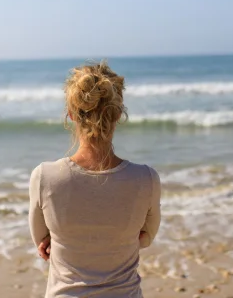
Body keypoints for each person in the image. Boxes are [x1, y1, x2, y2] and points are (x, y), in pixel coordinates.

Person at [29, 61, 161, 297]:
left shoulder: (45, 177)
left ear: (71, 114)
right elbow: (145, 238)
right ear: (118, 114)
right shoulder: (146, 179)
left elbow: (42, 243)